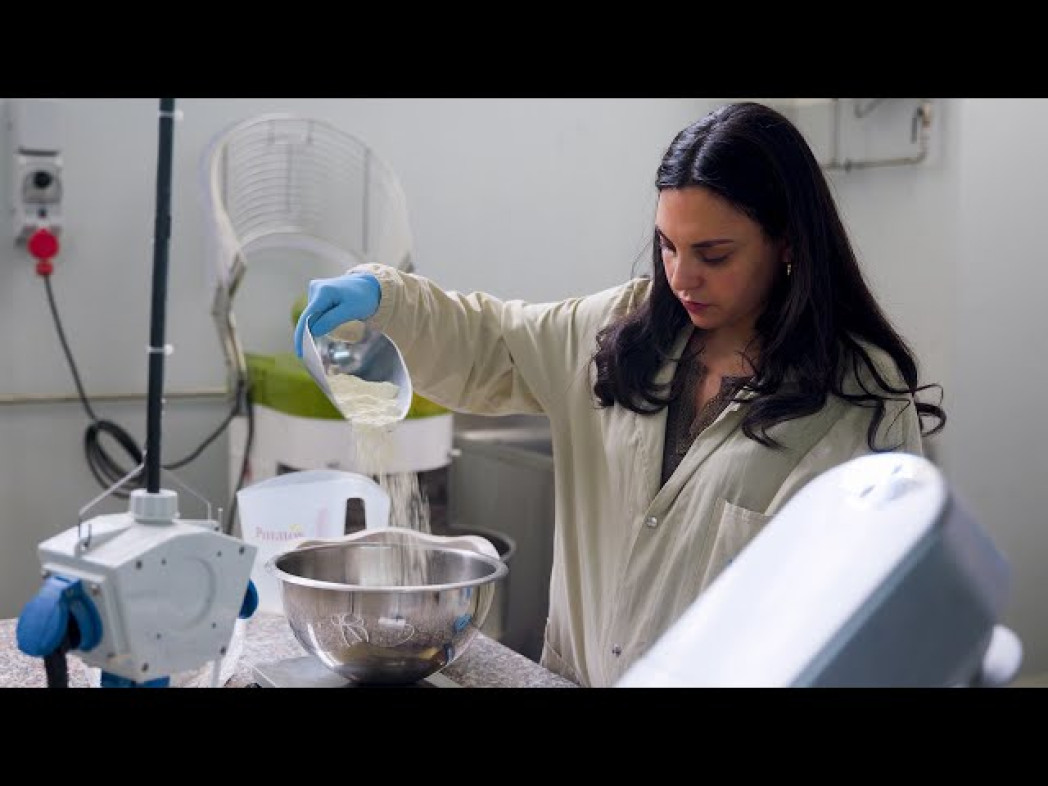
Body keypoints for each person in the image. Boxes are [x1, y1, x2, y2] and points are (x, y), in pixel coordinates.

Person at [293, 101, 946, 688]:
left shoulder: (856, 400)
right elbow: (490, 341)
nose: (682, 277)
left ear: (788, 244)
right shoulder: (619, 335)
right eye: (667, 246)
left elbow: (874, 615)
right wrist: (387, 301)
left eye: (713, 254)